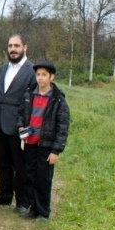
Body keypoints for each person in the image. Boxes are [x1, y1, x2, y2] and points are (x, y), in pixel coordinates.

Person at [0, 34, 36, 214]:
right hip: (1, 122)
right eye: (10, 46)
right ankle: (4, 196)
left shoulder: (31, 71)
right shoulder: (3, 68)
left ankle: (23, 201)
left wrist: (27, 125)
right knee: (3, 163)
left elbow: (32, 101)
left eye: (17, 45)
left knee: (20, 165)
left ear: (25, 47)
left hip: (19, 125)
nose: (13, 49)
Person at [17, 61, 70, 221]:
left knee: (43, 179)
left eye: (44, 75)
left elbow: (63, 127)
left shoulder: (58, 100)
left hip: (46, 144)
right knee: (30, 176)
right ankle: (33, 209)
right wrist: (21, 127)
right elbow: (21, 113)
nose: (40, 78)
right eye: (38, 74)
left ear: (51, 77)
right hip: (30, 142)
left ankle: (43, 212)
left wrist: (56, 150)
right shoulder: (29, 95)